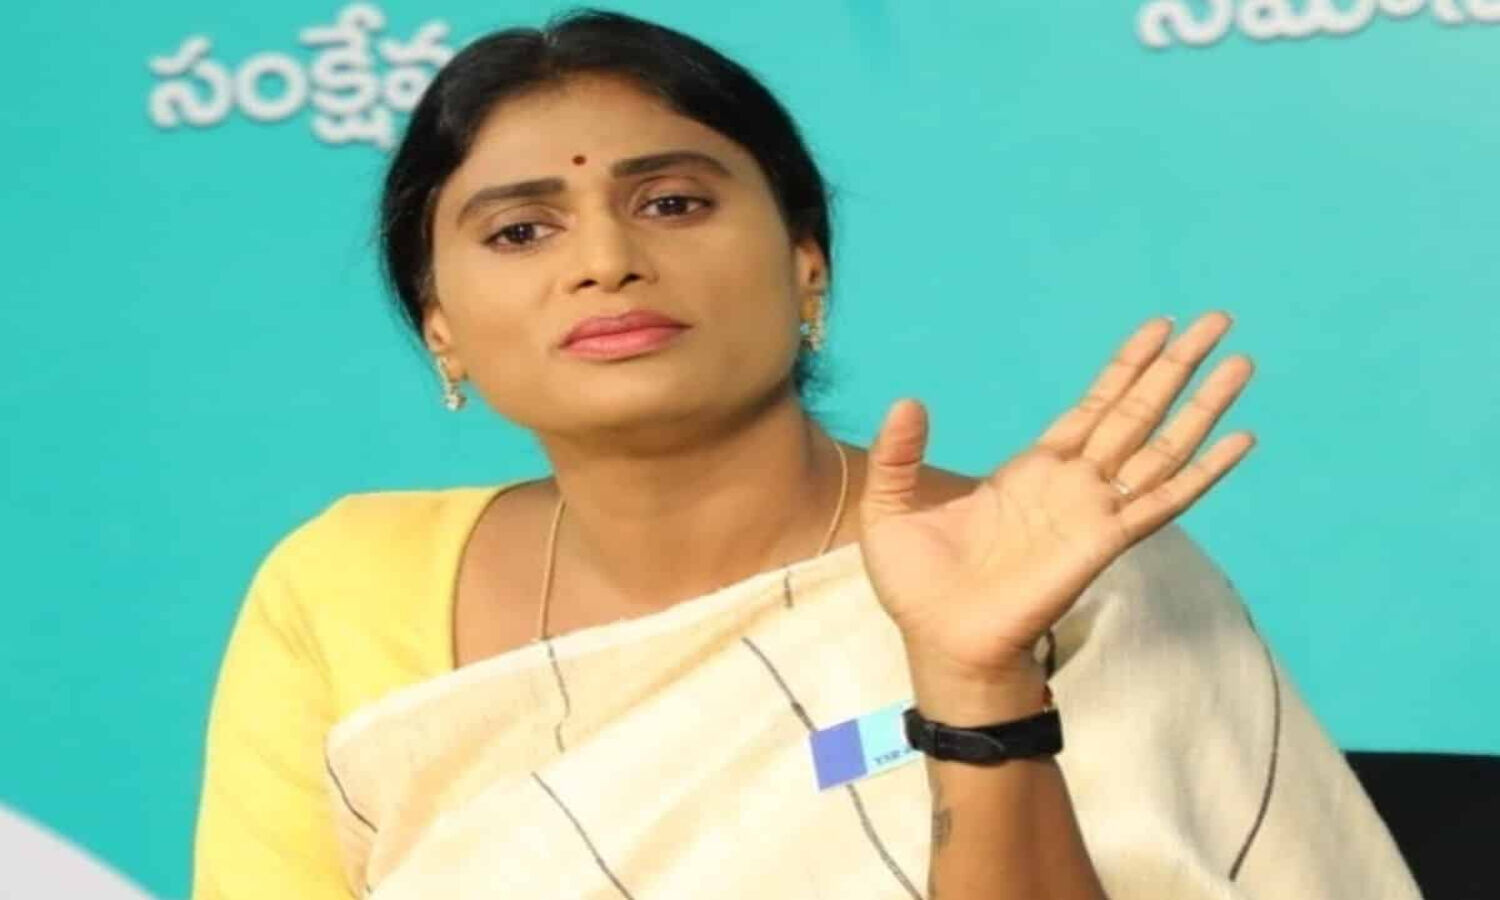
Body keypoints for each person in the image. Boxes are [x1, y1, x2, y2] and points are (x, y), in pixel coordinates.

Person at [191, 9, 1421, 900]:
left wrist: (977, 683)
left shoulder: (1062, 569)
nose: (606, 260)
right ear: (440, 326)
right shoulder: (343, 587)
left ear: (806, 265)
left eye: (673, 202)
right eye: (521, 230)